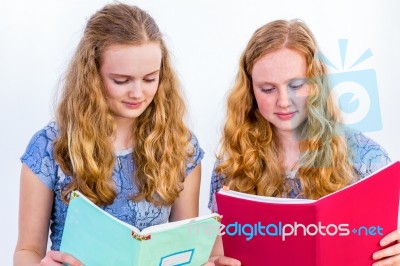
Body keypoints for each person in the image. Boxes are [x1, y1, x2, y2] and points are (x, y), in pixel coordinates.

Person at [14, 3, 204, 265]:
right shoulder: (50, 147)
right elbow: (27, 251)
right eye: (122, 80)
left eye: (150, 78)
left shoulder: (181, 147)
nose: (138, 93)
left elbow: (184, 249)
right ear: (91, 76)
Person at [207, 19, 399, 266]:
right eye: (268, 89)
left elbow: (386, 244)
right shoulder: (232, 163)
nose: (284, 101)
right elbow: (219, 252)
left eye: (296, 85)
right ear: (250, 92)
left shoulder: (366, 158)